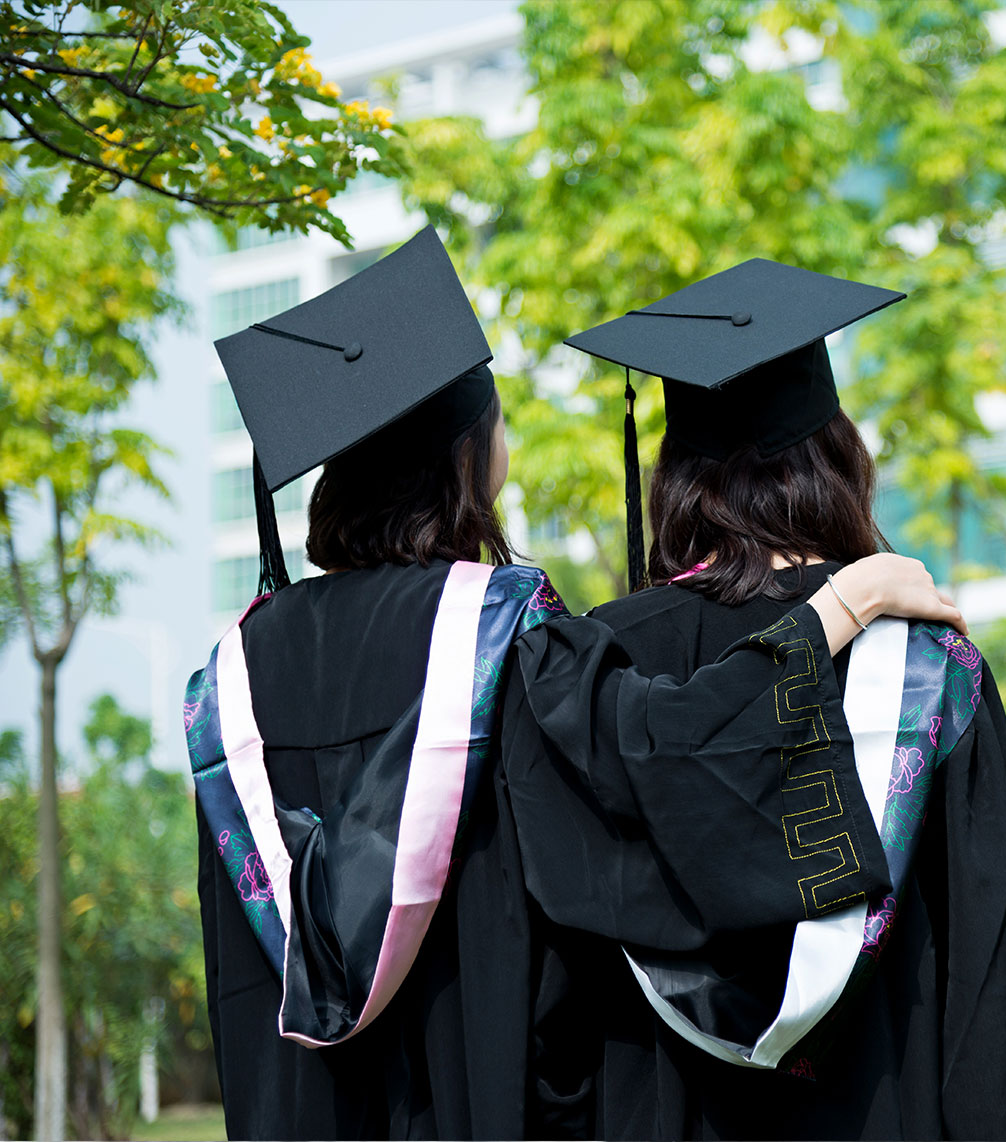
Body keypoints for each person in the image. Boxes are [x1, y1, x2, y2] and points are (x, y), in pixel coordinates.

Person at [188, 230, 961, 1140]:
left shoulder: (229, 682)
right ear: (465, 458)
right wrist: (844, 603)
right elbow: (675, 756)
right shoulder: (507, 637)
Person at [564, 258, 1006, 1140]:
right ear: (837, 457)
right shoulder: (925, 662)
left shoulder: (600, 663)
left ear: (674, 473)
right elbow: (993, 983)